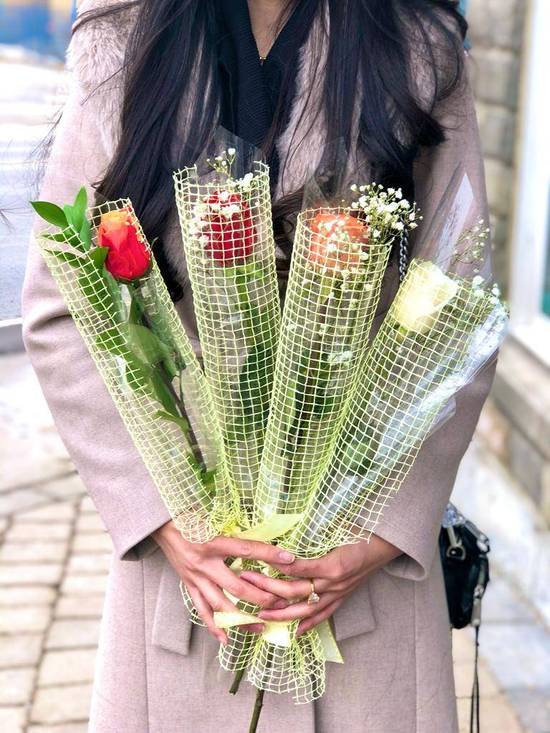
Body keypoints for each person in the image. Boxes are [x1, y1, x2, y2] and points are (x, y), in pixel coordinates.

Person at [22, 1, 495, 731]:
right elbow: (62, 305)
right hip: (190, 579)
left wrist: (379, 534)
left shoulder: (418, 46)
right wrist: (165, 519)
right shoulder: (120, 40)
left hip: (356, 577)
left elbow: (461, 302)